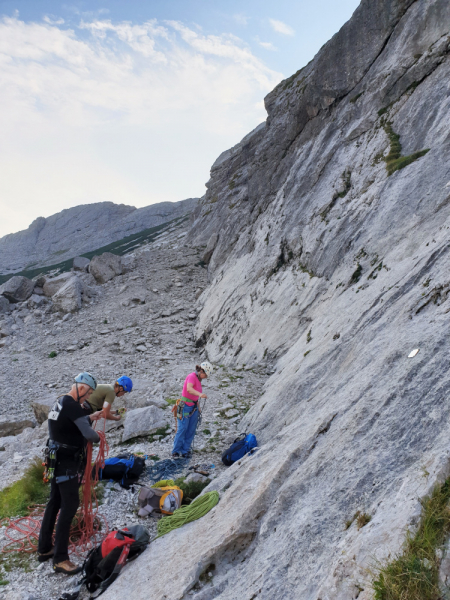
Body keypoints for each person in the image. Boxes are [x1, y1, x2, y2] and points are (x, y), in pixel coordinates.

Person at [38, 372, 103, 574]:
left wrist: (89, 417)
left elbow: (70, 422)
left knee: (54, 502)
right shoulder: (73, 406)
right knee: (69, 505)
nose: (87, 398)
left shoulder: (60, 402)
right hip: (67, 463)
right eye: (88, 393)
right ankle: (60, 559)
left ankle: (44, 549)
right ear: (82, 388)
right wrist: (94, 431)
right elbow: (91, 436)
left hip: (55, 459)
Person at [172, 362, 213, 458]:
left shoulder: (198, 380)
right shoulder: (191, 376)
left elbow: (193, 395)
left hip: (193, 407)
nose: (205, 377)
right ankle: (176, 451)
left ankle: (185, 450)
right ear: (201, 371)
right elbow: (189, 389)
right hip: (185, 405)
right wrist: (200, 395)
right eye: (205, 375)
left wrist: (197, 404)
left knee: (191, 429)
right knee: (182, 429)